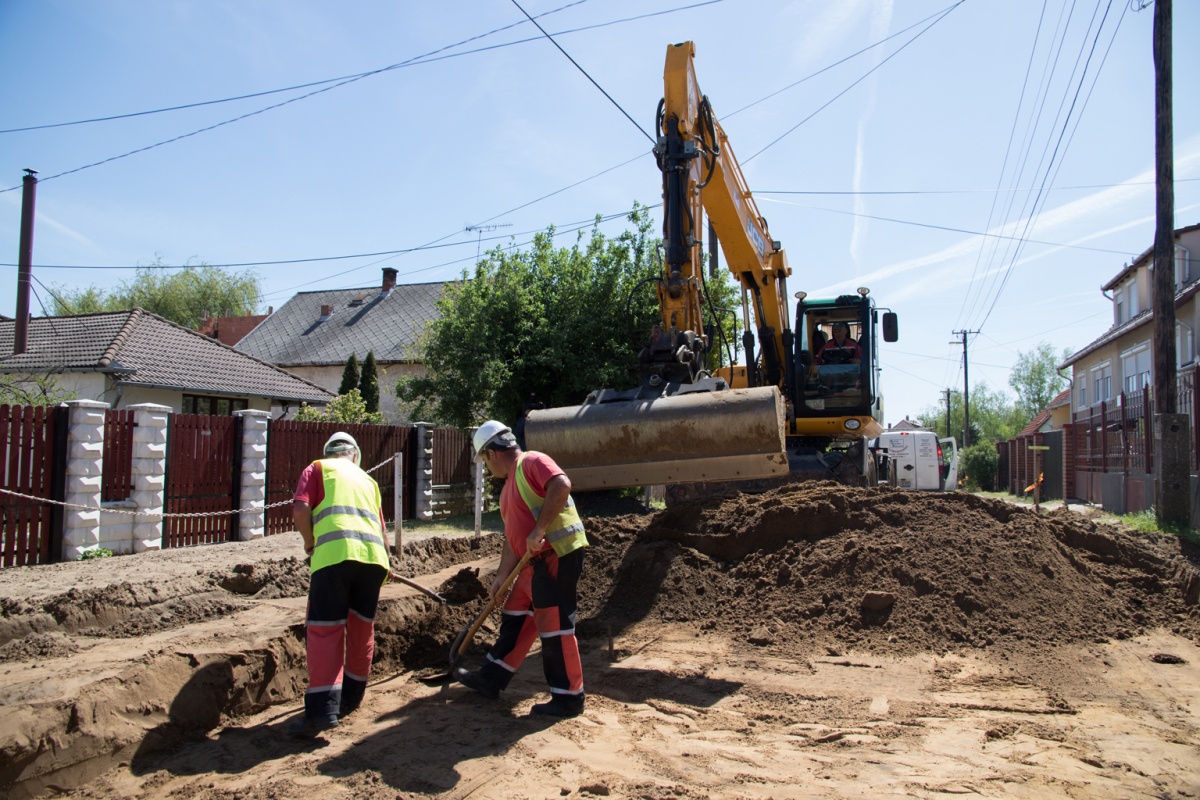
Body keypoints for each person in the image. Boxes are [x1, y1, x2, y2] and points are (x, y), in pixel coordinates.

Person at [455, 419, 589, 718]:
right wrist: (502, 576)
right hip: (531, 562)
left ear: (492, 453)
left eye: (484, 461)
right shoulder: (508, 489)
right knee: (515, 613)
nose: (487, 468)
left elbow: (561, 484)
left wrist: (539, 529)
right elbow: (512, 537)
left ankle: (568, 697)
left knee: (553, 624)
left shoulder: (531, 461)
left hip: (556, 554)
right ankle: (491, 678)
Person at [288, 431, 391, 737]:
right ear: (355, 455)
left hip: (333, 558)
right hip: (373, 561)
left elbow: (299, 510)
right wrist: (384, 564)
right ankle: (352, 695)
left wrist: (309, 543)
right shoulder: (368, 480)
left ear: (329, 452)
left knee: (325, 630)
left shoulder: (317, 468)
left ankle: (322, 712)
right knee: (361, 626)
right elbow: (381, 528)